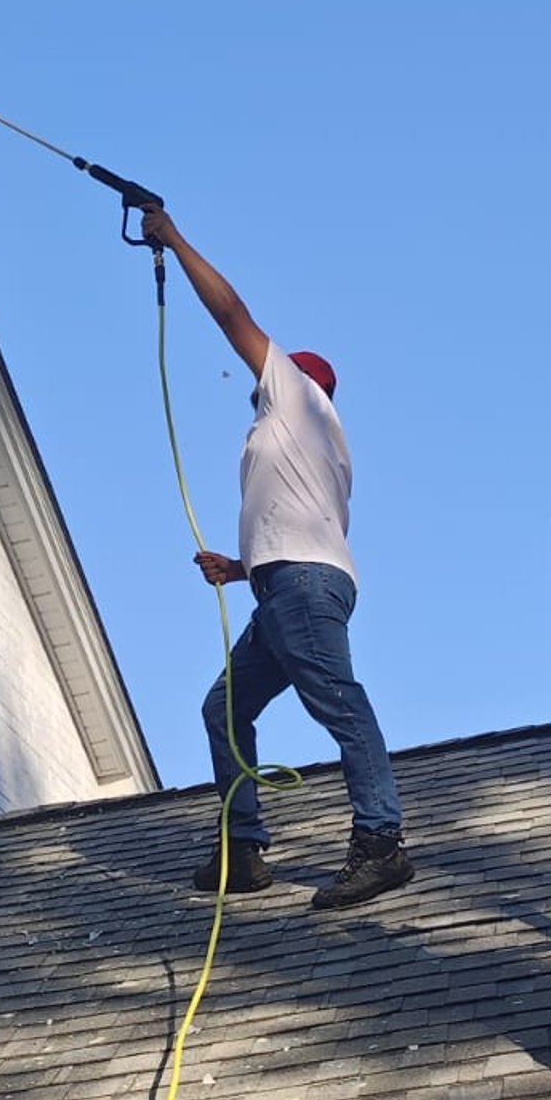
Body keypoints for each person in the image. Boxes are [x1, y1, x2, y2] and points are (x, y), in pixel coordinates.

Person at [141, 204, 414, 911]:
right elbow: (295, 525)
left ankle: (381, 842)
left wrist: (172, 237)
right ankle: (244, 850)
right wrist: (239, 568)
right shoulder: (312, 442)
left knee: (339, 702)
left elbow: (230, 312)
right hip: (288, 583)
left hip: (298, 587)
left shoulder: (295, 396)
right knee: (224, 708)